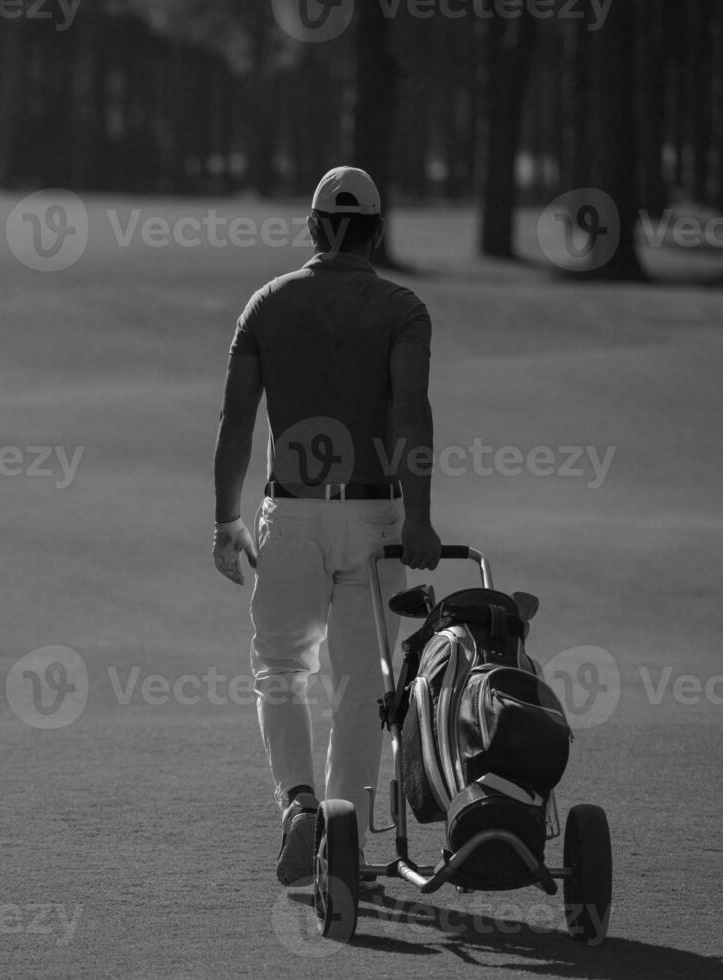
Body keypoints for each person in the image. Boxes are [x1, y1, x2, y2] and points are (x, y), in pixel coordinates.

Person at [211, 166, 441, 886]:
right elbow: (409, 414)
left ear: (312, 227)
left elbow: (236, 420)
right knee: (364, 680)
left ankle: (300, 805)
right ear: (375, 230)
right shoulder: (401, 307)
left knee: (281, 668)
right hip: (374, 514)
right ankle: (342, 840)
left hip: (291, 509)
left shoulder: (267, 305)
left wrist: (224, 519)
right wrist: (423, 516)